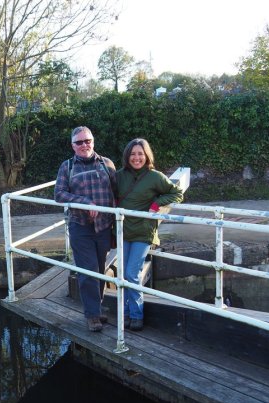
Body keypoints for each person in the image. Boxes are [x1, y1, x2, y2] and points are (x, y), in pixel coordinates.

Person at [115, 138, 183, 331]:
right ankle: (126, 313)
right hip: (123, 231)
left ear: (147, 156)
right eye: (133, 154)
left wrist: (156, 204)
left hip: (144, 232)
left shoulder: (155, 176)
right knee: (123, 275)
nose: (136, 158)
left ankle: (136, 315)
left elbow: (176, 193)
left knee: (131, 273)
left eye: (140, 154)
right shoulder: (119, 176)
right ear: (127, 156)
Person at [54, 126, 117, 332]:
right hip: (80, 227)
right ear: (73, 146)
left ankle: (96, 309)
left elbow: (117, 192)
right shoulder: (68, 166)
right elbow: (59, 194)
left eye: (87, 141)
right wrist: (82, 202)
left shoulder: (106, 164)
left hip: (104, 227)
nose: (84, 145)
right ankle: (91, 315)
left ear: (93, 141)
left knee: (99, 270)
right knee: (88, 271)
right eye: (79, 142)